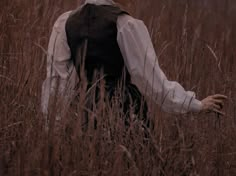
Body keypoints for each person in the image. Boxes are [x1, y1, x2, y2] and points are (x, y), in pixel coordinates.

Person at [41, 0, 227, 128]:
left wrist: (55, 133)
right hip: (122, 111)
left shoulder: (65, 23)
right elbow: (152, 82)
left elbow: (57, 84)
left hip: (82, 113)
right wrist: (195, 104)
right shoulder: (125, 23)